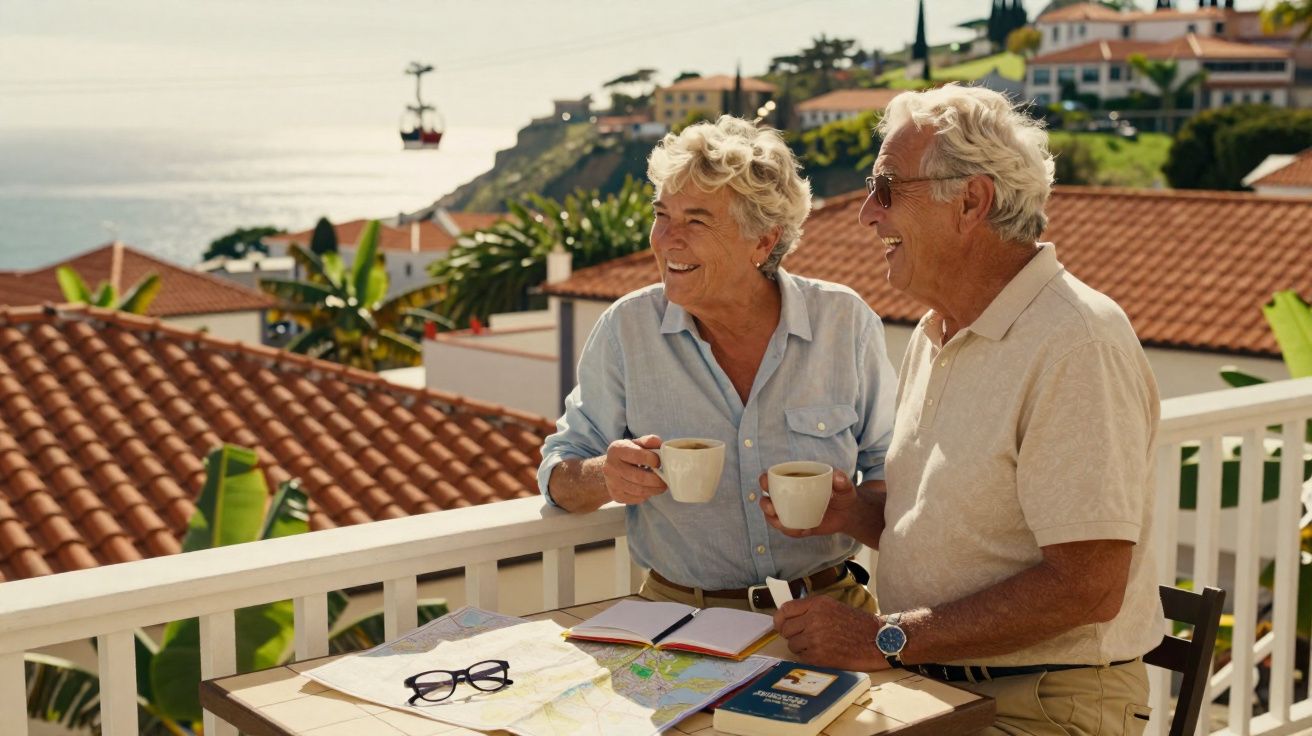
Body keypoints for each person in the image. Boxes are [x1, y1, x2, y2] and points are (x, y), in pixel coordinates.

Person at [763, 85, 1162, 735]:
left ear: (971, 201)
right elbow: (949, 524)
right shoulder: (935, 331)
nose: (867, 213)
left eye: (887, 188)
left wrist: (883, 639)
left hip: (1046, 706)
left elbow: (1088, 585)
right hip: (935, 681)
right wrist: (849, 511)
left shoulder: (1076, 341)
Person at [537, 115, 897, 613]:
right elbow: (559, 472)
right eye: (662, 214)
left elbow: (891, 475)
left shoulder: (844, 322)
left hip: (830, 610)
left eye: (696, 221)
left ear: (764, 241)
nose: (666, 239)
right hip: (677, 618)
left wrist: (851, 510)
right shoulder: (628, 328)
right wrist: (604, 476)